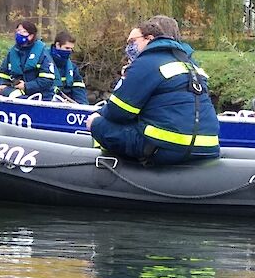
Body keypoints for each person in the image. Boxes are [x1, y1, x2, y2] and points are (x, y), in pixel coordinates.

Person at [85, 15, 220, 165]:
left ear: (149, 39)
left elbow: (118, 112)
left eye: (132, 42)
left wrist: (98, 117)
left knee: (96, 122)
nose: (128, 48)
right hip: (207, 148)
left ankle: (101, 169)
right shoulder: (191, 64)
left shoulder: (147, 62)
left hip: (164, 148)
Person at [0, 19, 54, 98]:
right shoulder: (12, 52)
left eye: (23, 32)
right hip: (17, 93)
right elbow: (2, 73)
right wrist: (1, 84)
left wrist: (26, 86)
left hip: (40, 96)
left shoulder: (42, 54)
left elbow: (47, 80)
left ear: (31, 36)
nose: (19, 34)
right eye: (18, 31)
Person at [49, 29, 88, 104]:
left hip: (67, 104)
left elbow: (79, 89)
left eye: (71, 49)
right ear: (57, 45)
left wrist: (84, 106)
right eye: (67, 48)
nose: (69, 51)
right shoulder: (43, 61)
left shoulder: (72, 68)